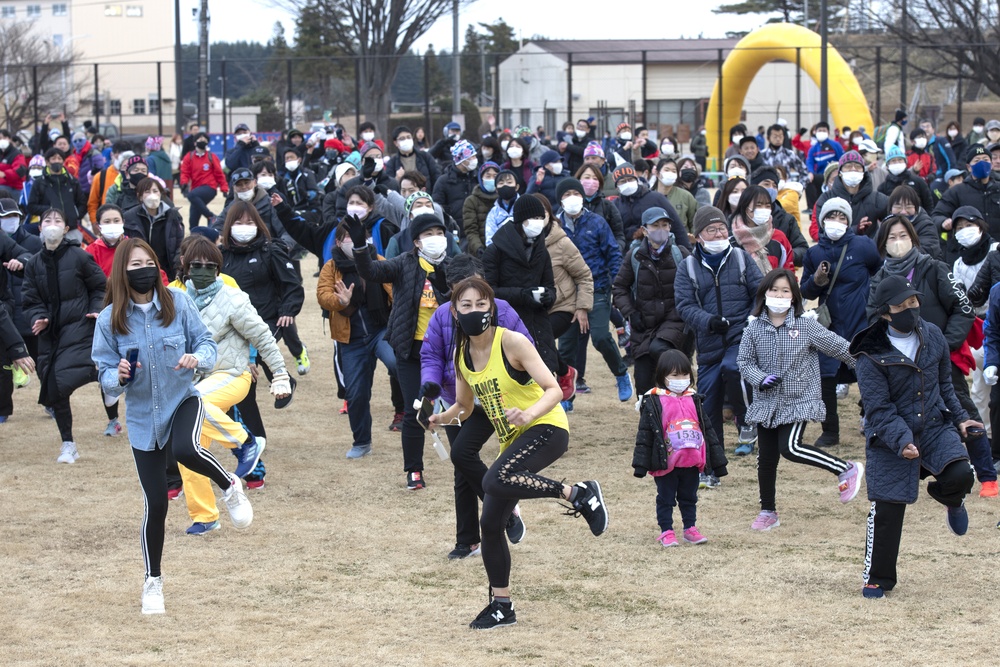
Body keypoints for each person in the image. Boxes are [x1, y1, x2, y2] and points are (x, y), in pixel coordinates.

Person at [430, 276, 608, 629]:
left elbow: (554, 389)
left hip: (547, 428)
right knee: (490, 524)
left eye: (482, 304)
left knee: (496, 479)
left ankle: (578, 493)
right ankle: (502, 606)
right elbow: (464, 408)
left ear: (492, 307)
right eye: (466, 305)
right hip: (514, 440)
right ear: (454, 311)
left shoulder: (510, 341)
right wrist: (441, 417)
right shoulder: (461, 354)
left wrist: (528, 414)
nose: (475, 311)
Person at [92, 237, 253, 614]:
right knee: (157, 503)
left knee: (185, 449)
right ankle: (153, 583)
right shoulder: (108, 319)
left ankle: (229, 485)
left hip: (184, 400)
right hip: (143, 418)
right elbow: (103, 375)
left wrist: (196, 358)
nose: (143, 269)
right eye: (134, 265)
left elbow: (207, 345)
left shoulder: (178, 303)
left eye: (148, 262)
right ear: (122, 271)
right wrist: (117, 374)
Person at [852, 275, 979, 598]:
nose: (911, 309)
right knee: (888, 510)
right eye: (902, 305)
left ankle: (952, 500)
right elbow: (877, 409)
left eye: (914, 302)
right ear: (885, 313)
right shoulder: (869, 354)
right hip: (890, 436)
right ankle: (878, 578)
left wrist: (962, 419)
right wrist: (901, 440)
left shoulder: (933, 335)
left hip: (934, 426)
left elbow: (945, 386)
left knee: (962, 473)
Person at [174, 235, 290, 534]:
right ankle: (206, 516)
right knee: (189, 448)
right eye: (194, 265)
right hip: (195, 381)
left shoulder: (233, 297)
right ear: (184, 266)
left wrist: (279, 374)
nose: (201, 270)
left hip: (231, 375)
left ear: (218, 268)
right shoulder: (175, 298)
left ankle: (246, 442)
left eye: (208, 265)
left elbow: (263, 336)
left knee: (192, 401)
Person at [420, 254, 534, 559]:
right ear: (452, 296)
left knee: (464, 456)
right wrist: (430, 383)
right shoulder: (442, 317)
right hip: (459, 400)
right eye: (462, 298)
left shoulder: (504, 311)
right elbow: (431, 355)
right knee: (461, 463)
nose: (470, 304)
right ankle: (468, 540)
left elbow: (527, 350)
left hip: (498, 399)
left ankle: (503, 508)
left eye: (477, 297)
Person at [738, 268, 865, 531]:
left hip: (799, 399)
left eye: (785, 291)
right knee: (767, 458)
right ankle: (768, 511)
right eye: (774, 290)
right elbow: (745, 362)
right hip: (766, 402)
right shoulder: (753, 328)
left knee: (791, 447)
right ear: (764, 293)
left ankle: (845, 468)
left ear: (794, 297)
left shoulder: (805, 325)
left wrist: (866, 367)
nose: (779, 295)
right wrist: (759, 378)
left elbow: (839, 347)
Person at [351, 212, 451, 489]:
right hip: (411, 350)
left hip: (446, 351)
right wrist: (361, 247)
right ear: (417, 241)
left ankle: (464, 463)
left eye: (439, 233)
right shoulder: (404, 264)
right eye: (428, 235)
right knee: (414, 409)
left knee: (455, 408)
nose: (435, 239)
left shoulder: (454, 266)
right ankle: (414, 470)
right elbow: (370, 271)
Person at [867, 214, 978, 425]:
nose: (898, 241)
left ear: (913, 237)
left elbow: (963, 308)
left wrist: (944, 344)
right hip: (900, 362)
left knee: (959, 409)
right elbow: (874, 318)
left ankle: (980, 455)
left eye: (903, 235)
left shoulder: (935, 268)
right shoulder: (879, 279)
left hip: (940, 358)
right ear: (883, 243)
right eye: (892, 237)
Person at [675, 206, 762, 467]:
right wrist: (709, 321)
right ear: (699, 236)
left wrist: (750, 320)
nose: (717, 234)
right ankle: (713, 467)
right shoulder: (687, 266)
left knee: (734, 367)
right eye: (711, 230)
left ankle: (747, 420)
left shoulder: (740, 258)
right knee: (708, 405)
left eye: (721, 228)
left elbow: (760, 292)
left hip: (741, 335)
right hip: (709, 342)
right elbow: (684, 305)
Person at [22, 209, 106, 463]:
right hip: (50, 334)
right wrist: (39, 316)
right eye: (47, 220)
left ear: (66, 227)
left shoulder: (79, 255)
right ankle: (68, 444)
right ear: (39, 228)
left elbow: (100, 286)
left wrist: (95, 309)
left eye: (58, 221)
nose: (52, 225)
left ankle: (109, 384)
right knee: (54, 386)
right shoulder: (34, 263)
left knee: (65, 376)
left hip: (79, 326)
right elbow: (30, 298)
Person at [220, 201, 304, 446]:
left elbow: (292, 285)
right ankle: (256, 439)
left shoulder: (270, 251)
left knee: (254, 356)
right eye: (238, 222)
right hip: (232, 326)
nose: (244, 227)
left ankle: (283, 378)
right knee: (244, 382)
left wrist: (288, 309)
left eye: (249, 222)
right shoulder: (220, 256)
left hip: (266, 318)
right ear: (228, 226)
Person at [800, 198, 881, 447]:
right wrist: (817, 279)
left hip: (861, 322)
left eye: (842, 217)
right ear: (822, 221)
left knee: (870, 375)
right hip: (829, 326)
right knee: (826, 378)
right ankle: (830, 430)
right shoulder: (814, 253)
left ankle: (872, 422)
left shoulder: (863, 245)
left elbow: (877, 271)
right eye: (831, 217)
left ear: (849, 221)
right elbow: (806, 292)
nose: (836, 222)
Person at [315, 221, 396, 459]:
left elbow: (396, 289)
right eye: (347, 237)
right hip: (350, 339)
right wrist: (340, 301)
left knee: (396, 363)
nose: (353, 240)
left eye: (358, 236)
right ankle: (362, 442)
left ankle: (411, 411)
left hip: (381, 331)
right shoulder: (331, 267)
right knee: (356, 392)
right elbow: (323, 295)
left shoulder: (378, 261)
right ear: (338, 242)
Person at [632, 349, 726, 546]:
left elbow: (708, 431)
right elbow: (645, 434)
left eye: (684, 374)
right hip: (666, 463)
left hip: (692, 461)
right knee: (666, 498)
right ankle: (666, 530)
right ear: (662, 376)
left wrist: (718, 463)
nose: (681, 379)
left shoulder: (695, 399)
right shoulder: (654, 401)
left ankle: (690, 528)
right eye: (675, 375)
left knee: (689, 497)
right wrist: (641, 465)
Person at [554, 178, 633, 402]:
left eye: (575, 193)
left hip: (597, 286)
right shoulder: (555, 226)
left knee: (600, 336)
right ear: (560, 199)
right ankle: (566, 397)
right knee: (566, 346)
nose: (572, 198)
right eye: (567, 193)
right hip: (567, 294)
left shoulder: (596, 222)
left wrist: (617, 283)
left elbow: (613, 253)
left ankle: (620, 373)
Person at [612, 206, 689, 396]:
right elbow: (619, 288)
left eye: (665, 224)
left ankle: (679, 411)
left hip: (674, 321)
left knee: (663, 354)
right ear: (645, 230)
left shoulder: (681, 254)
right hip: (643, 325)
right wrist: (630, 312)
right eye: (655, 225)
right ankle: (649, 420)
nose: (661, 229)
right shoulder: (635, 256)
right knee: (643, 381)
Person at [483, 195, 559, 375]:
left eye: (541, 218)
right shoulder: (495, 250)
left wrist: (548, 296)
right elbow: (489, 292)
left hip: (538, 324)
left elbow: (550, 286)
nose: (538, 223)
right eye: (533, 218)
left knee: (545, 378)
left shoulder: (542, 250)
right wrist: (523, 295)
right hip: (506, 324)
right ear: (520, 220)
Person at [536, 193, 593, 406]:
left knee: (540, 338)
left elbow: (584, 275)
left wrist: (582, 307)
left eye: (541, 214)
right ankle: (560, 378)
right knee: (532, 344)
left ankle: (562, 376)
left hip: (563, 305)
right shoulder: (519, 244)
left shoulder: (562, 242)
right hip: (535, 308)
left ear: (550, 215)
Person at [811, 151, 889, 241]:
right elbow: (823, 233)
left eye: (858, 166)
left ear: (863, 172)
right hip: (836, 253)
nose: (853, 169)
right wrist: (856, 229)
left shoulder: (876, 199)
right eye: (848, 166)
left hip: (868, 252)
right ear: (840, 172)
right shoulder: (826, 199)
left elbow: (893, 222)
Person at [612, 163, 690, 249]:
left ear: (637, 180)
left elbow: (677, 227)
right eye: (622, 181)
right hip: (625, 254)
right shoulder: (614, 205)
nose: (627, 183)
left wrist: (686, 252)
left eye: (630, 179)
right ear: (617, 187)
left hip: (655, 251)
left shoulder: (656, 198)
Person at [933, 144, 1000, 244]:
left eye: (986, 160)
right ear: (969, 167)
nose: (982, 163)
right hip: (967, 251)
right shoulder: (957, 191)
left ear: (990, 165)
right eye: (977, 161)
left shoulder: (998, 188)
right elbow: (937, 215)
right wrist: (943, 222)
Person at [123, 178, 185, 280]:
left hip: (168, 271)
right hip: (141, 270)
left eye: (155, 191)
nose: (152, 195)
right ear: (140, 196)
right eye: (147, 192)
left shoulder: (173, 216)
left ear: (161, 194)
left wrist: (177, 270)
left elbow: (179, 246)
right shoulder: (129, 217)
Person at [750, 166, 809, 266]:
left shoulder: (787, 220)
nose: (771, 189)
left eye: (774, 186)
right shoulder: (740, 218)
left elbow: (803, 251)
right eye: (766, 184)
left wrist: (784, 253)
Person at [731, 185, 794, 276]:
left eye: (767, 206)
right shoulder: (732, 238)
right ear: (745, 208)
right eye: (758, 205)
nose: (764, 210)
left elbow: (788, 272)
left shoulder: (778, 237)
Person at [27, 148, 87, 236]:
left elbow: (82, 202)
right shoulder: (40, 182)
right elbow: (31, 206)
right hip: (49, 230)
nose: (57, 161)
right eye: (54, 158)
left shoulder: (72, 181)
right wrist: (50, 209)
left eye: (59, 158)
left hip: (71, 229)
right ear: (47, 162)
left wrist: (75, 214)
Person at [180, 132, 228, 229]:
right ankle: (195, 234)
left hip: (209, 188)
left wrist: (224, 188)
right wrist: (184, 183)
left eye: (204, 140)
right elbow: (185, 172)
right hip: (196, 189)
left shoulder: (212, 157)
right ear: (194, 143)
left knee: (191, 195)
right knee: (193, 217)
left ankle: (210, 216)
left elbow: (219, 173)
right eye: (200, 140)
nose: (202, 142)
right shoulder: (189, 157)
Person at [576, 163, 625, 250]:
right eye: (587, 177)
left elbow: (619, 235)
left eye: (595, 178)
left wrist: (615, 252)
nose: (591, 181)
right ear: (579, 180)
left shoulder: (608, 205)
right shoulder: (570, 205)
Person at [432, 139, 479, 228]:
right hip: (455, 230)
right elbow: (437, 207)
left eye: (475, 156)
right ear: (461, 160)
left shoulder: (477, 177)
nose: (475, 160)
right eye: (471, 157)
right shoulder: (443, 181)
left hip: (476, 229)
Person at [879, 146, 935, 213]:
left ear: (905, 163)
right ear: (887, 166)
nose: (897, 163)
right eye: (893, 161)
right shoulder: (883, 187)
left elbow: (929, 205)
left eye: (900, 160)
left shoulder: (918, 181)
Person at [653, 157, 697, 236]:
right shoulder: (649, 197)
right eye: (666, 170)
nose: (670, 173)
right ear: (657, 173)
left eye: (674, 171)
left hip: (681, 244)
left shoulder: (686, 196)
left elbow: (694, 223)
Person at [463, 161, 499, 254]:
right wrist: (478, 248)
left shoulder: (503, 199)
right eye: (488, 176)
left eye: (495, 176)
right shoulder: (471, 201)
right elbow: (471, 230)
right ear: (481, 178)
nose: (492, 179)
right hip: (479, 253)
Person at [805, 122, 844, 208]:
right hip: (820, 176)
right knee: (808, 181)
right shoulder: (813, 148)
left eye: (824, 130)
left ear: (828, 133)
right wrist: (810, 172)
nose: (821, 132)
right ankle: (812, 208)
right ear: (815, 132)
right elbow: (809, 162)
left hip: (833, 175)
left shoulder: (835, 145)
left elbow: (842, 159)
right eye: (820, 130)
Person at [387, 125, 439, 190]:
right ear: (395, 143)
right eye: (402, 138)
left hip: (425, 197)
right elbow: (388, 187)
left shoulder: (425, 156)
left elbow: (436, 177)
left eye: (408, 137)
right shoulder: (392, 163)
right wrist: (397, 179)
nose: (406, 140)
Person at [480, 169, 518, 251]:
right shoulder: (493, 213)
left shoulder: (524, 205)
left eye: (509, 182)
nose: (505, 185)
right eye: (501, 183)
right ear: (496, 189)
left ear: (517, 187)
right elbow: (490, 240)